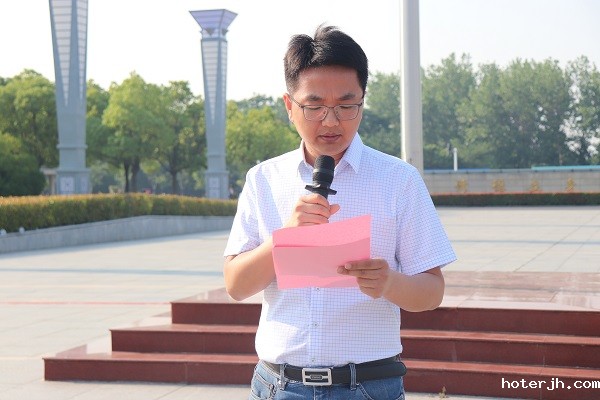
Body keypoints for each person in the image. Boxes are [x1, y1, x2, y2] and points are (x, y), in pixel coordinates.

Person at [223, 24, 456, 400]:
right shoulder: (263, 179)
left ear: (362, 103)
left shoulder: (398, 180)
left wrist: (389, 283)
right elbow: (236, 285)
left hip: (368, 386)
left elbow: (432, 291)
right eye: (314, 106)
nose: (331, 121)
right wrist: (286, 239)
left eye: (346, 105)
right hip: (279, 386)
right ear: (289, 106)